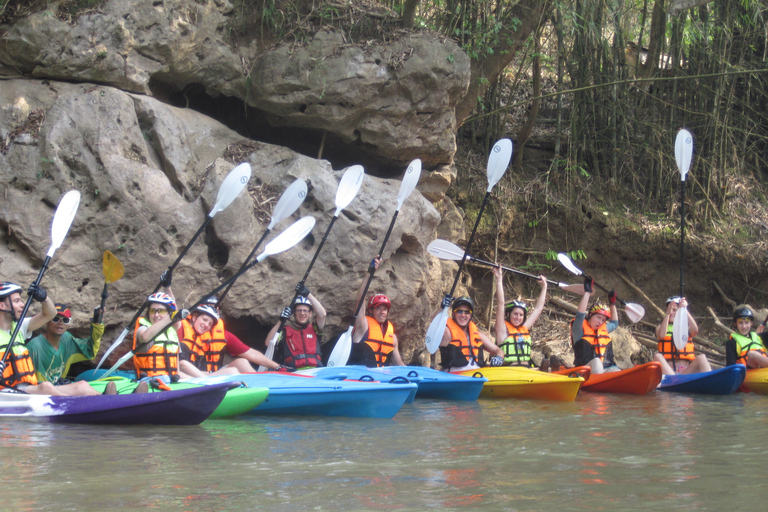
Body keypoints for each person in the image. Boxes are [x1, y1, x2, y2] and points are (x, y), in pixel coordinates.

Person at [0, 282, 101, 395]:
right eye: (16, 301)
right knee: (46, 387)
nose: (22, 305)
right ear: (2, 305)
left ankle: (107, 403)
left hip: (25, 388)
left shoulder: (19, 327)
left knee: (82, 386)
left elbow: (50, 314)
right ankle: (71, 407)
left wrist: (44, 298)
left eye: (21, 301)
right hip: (7, 392)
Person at [179, 300, 280, 376]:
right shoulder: (181, 329)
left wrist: (278, 366)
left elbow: (251, 353)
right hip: (190, 374)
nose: (206, 324)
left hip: (212, 373)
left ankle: (262, 387)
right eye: (204, 319)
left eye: (209, 323)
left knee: (242, 362)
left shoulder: (222, 335)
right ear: (195, 317)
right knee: (231, 372)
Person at [27, 303, 105, 384]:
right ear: (47, 321)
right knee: (82, 385)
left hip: (59, 388)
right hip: (40, 392)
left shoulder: (67, 340)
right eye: (56, 319)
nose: (60, 323)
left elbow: (90, 351)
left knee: (83, 384)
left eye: (65, 320)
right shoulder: (34, 347)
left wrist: (97, 321)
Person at [348, 257, 405, 367]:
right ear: (370, 310)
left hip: (381, 378)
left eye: (384, 309)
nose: (382, 312)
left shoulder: (392, 337)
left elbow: (399, 363)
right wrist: (369, 273)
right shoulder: (363, 325)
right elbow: (360, 299)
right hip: (362, 377)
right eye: (378, 308)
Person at [493, 265, 549, 368]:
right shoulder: (502, 329)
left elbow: (538, 309)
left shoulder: (524, 328)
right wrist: (499, 279)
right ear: (509, 314)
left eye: (521, 315)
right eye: (515, 314)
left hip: (526, 370)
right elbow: (501, 303)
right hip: (509, 370)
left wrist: (544, 287)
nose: (518, 317)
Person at [132, 289, 193, 382]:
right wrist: (171, 317)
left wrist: (199, 382)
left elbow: (177, 372)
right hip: (148, 381)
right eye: (153, 311)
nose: (156, 315)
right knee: (164, 378)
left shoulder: (171, 333)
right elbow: (144, 337)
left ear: (169, 313)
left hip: (170, 382)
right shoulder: (143, 328)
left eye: (161, 311)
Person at [266, 284, 327, 369]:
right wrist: (281, 320)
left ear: (310, 314)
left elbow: (322, 315)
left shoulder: (315, 329)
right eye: (299, 310)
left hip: (315, 371)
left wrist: (308, 294)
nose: (302, 313)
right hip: (294, 372)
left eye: (305, 311)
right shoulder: (285, 331)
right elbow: (268, 343)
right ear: (294, 313)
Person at [439, 295, 504, 372]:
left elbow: (499, 351)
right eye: (459, 311)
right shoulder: (447, 332)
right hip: (454, 376)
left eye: (467, 312)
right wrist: (442, 309)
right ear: (453, 314)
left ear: (470, 315)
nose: (463, 315)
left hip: (476, 377)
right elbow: (435, 327)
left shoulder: (479, 336)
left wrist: (499, 357)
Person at [570, 276, 619, 374]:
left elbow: (614, 323)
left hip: (606, 369)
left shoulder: (603, 329)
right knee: (597, 362)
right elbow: (580, 315)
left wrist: (612, 304)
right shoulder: (578, 330)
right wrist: (587, 292)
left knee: (616, 370)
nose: (601, 322)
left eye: (603, 320)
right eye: (598, 318)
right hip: (585, 370)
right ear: (590, 316)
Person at [653, 296, 711, 375]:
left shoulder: (685, 328)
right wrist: (668, 313)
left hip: (685, 372)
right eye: (671, 310)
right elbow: (661, 335)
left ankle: (710, 381)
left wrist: (684, 309)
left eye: (675, 310)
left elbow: (695, 331)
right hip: (669, 372)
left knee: (702, 358)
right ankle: (674, 381)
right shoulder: (660, 327)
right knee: (657, 356)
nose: (672, 312)